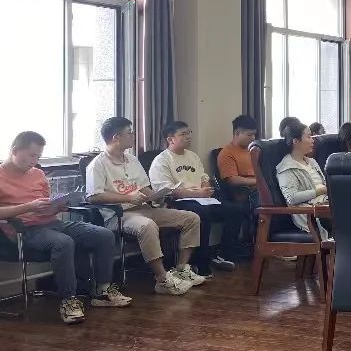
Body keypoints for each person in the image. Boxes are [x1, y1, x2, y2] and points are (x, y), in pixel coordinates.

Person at [0, 131, 130, 324]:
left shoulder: (37, 174)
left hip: (52, 223)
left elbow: (45, 206)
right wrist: (28, 207)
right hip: (23, 230)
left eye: (38, 157)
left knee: (104, 235)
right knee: (63, 242)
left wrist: (57, 207)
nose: (35, 161)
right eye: (31, 155)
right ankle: (68, 300)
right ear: (15, 151)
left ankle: (102, 291)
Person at [85, 117, 203, 295]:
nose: (133, 135)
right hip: (119, 215)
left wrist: (156, 196)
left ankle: (181, 269)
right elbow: (93, 197)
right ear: (116, 137)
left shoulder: (132, 160)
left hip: (144, 209)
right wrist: (127, 197)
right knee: (147, 226)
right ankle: (162, 279)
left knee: (191, 218)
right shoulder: (97, 164)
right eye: (130, 132)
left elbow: (144, 188)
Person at [149, 120, 241, 275]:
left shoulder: (192, 156)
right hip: (177, 202)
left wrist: (205, 188)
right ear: (170, 139)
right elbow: (168, 191)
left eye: (189, 133)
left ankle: (222, 254)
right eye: (183, 134)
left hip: (202, 198)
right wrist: (198, 193)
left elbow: (204, 177)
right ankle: (199, 263)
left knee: (235, 210)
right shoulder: (162, 160)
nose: (188, 136)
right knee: (203, 213)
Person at [275, 122, 330, 238]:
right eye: (308, 137)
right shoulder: (287, 167)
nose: (313, 140)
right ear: (296, 141)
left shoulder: (312, 162)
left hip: (325, 205)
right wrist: (319, 191)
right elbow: (291, 198)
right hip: (311, 214)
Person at [217, 114, 260, 210]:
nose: (253, 138)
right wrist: (258, 182)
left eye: (254, 134)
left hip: (262, 189)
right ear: (237, 133)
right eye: (249, 135)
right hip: (246, 194)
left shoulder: (254, 150)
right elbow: (232, 180)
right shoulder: (227, 153)